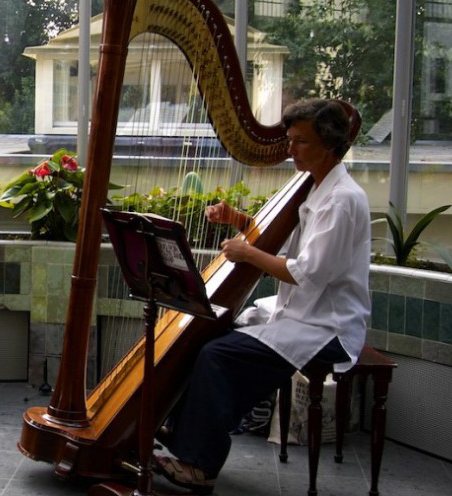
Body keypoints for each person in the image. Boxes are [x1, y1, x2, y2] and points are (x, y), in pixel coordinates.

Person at [154, 98, 371, 494]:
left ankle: (200, 467)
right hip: (300, 314)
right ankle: (187, 431)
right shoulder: (319, 187)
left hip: (328, 327)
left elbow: (308, 272)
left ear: (330, 142)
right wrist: (238, 220)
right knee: (210, 332)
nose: (290, 150)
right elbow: (285, 239)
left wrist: (247, 252)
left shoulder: (342, 200)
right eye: (289, 140)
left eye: (300, 142)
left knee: (218, 356)